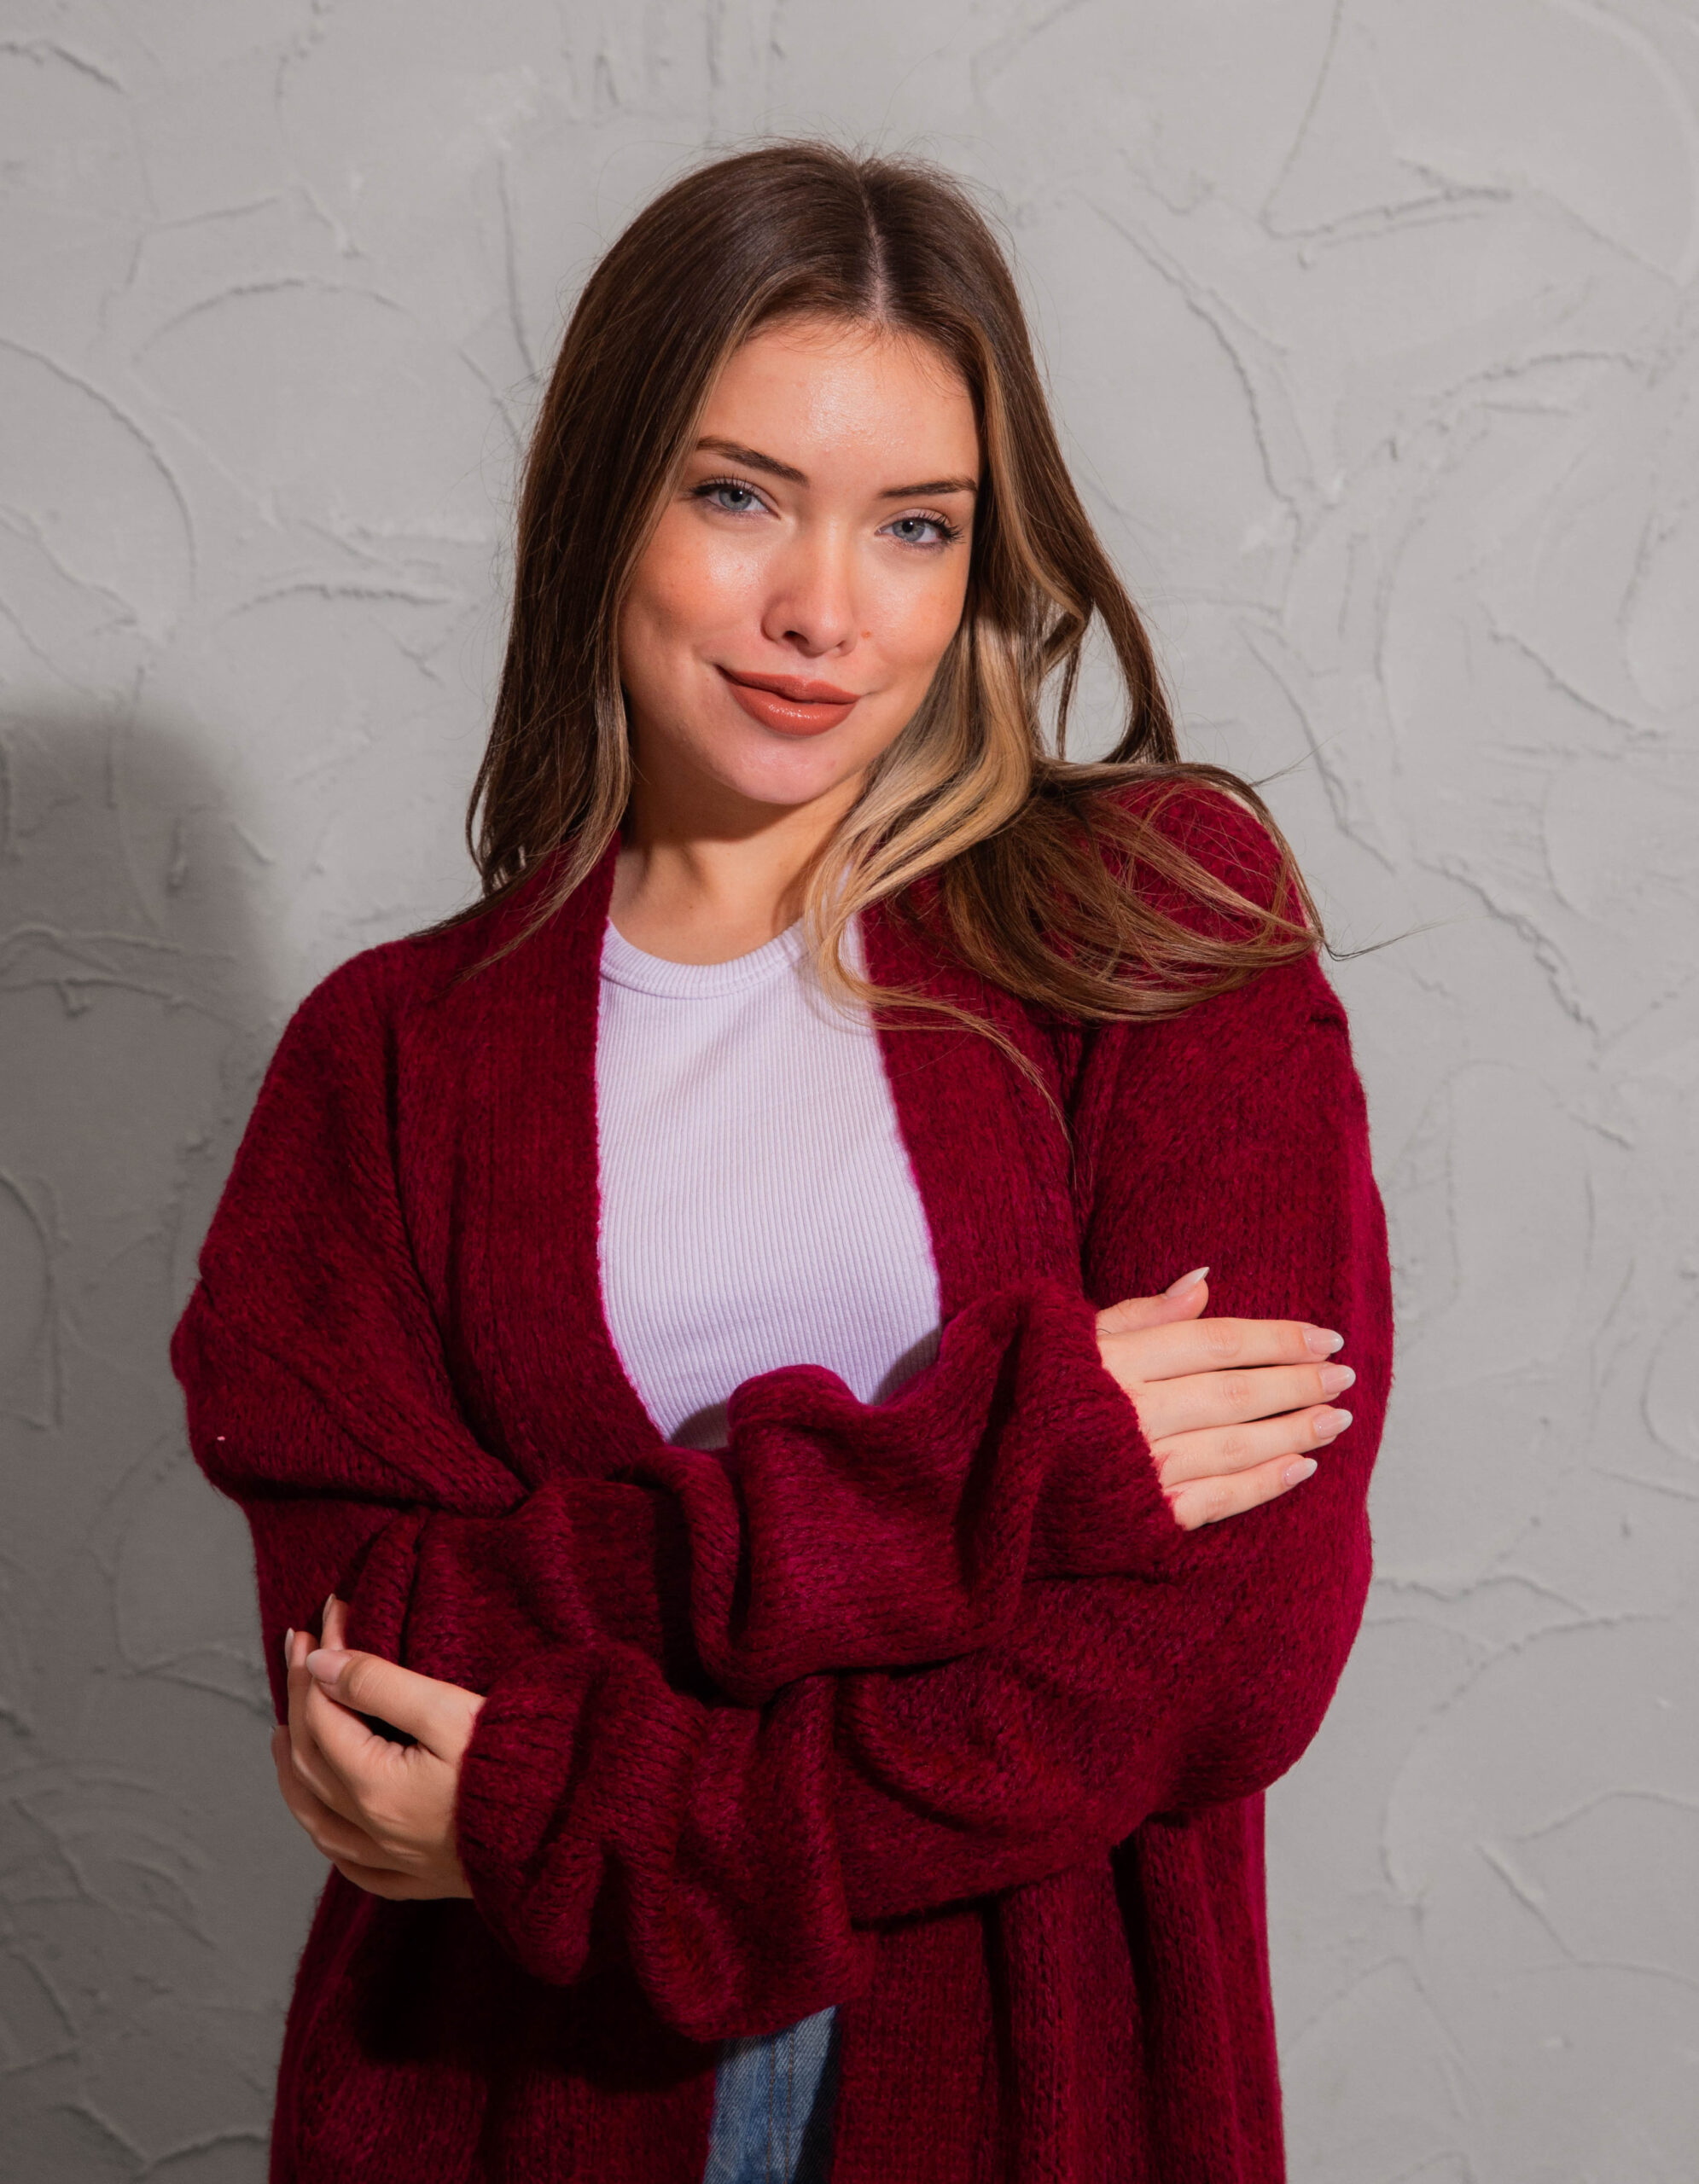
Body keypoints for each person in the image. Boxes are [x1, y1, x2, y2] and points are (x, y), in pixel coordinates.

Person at [172, 142, 1392, 2184]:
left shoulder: (1151, 924)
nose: (824, 609)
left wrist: (586, 1812)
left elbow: (1232, 1646)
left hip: (1034, 2100)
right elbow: (381, 1661)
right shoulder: (386, 1062)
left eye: (916, 526)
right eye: (738, 494)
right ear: (606, 502)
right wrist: (1002, 1465)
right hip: (500, 2110)